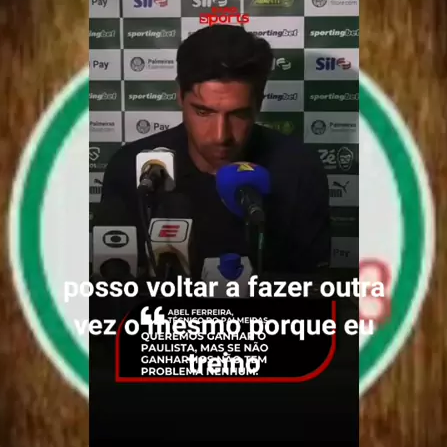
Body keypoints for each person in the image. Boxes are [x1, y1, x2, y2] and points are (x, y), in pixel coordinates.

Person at [95, 24, 331, 279]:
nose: (221, 136)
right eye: (203, 112)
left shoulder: (300, 170)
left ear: (259, 103)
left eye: (238, 114)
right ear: (180, 96)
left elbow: (312, 291)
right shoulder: (131, 169)